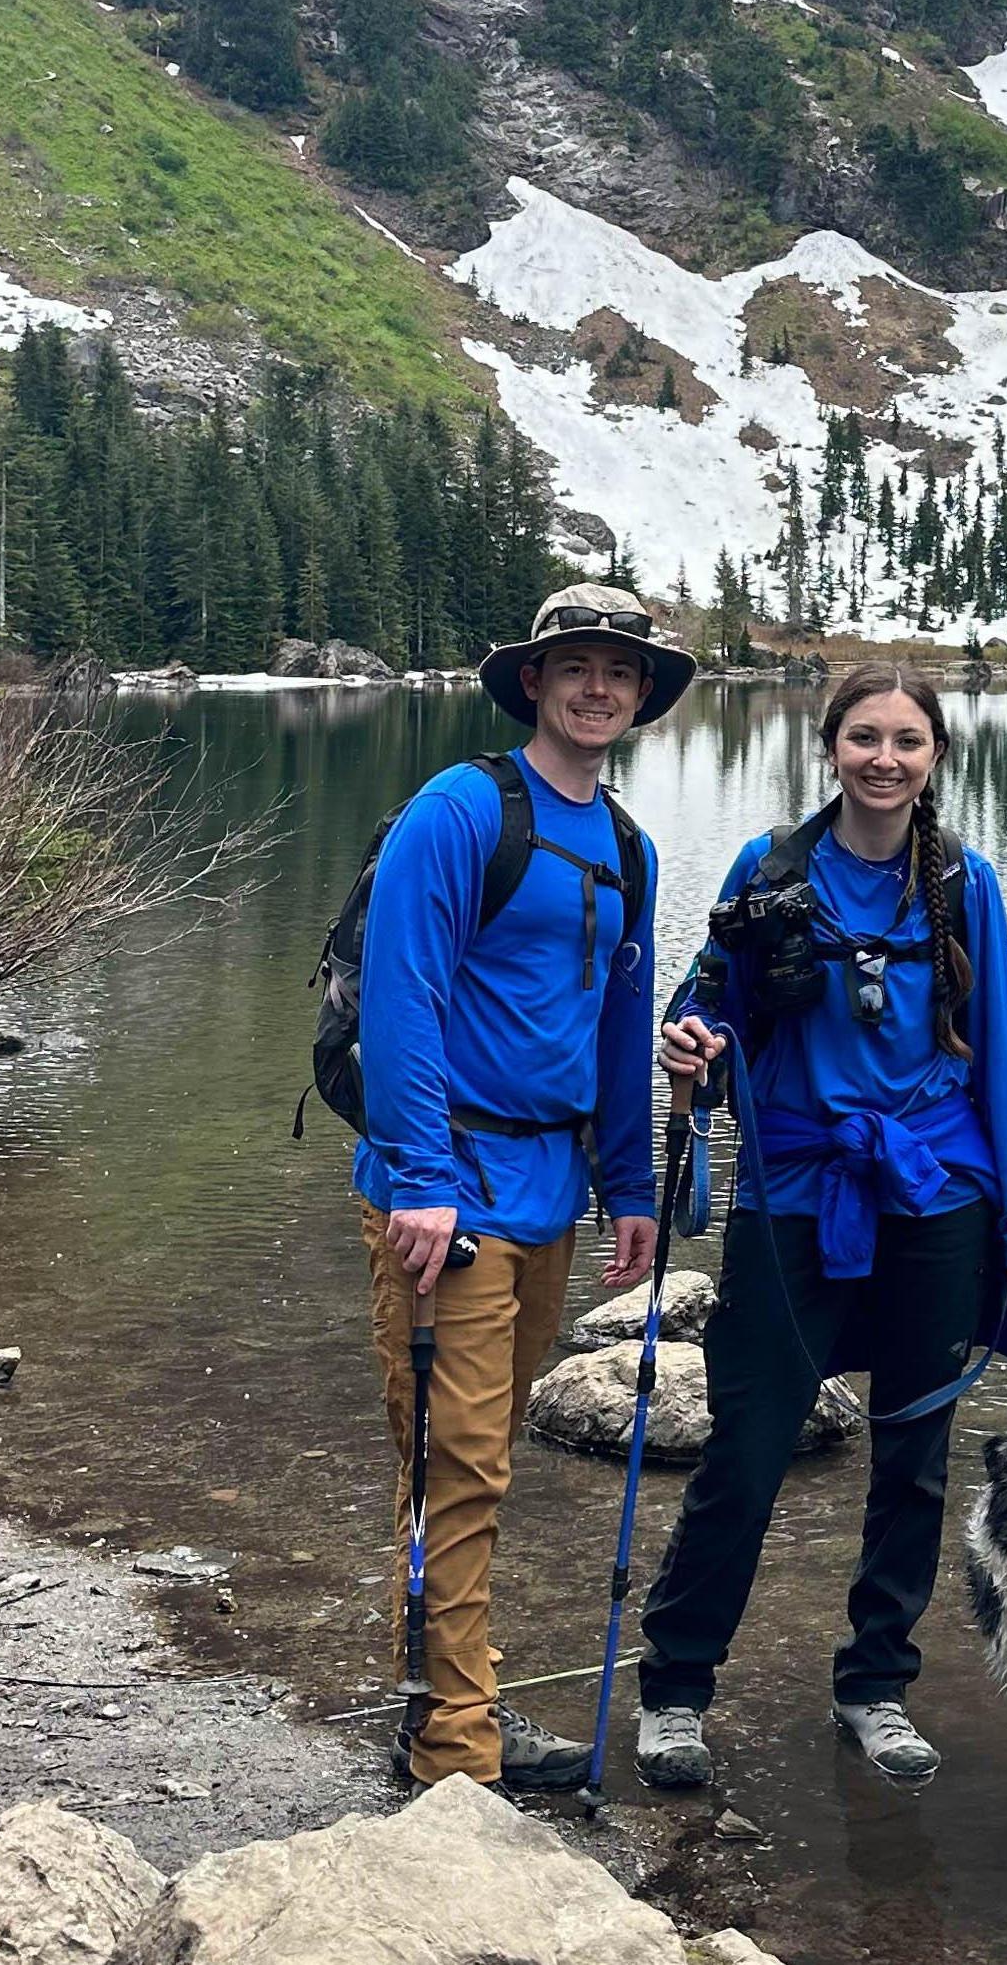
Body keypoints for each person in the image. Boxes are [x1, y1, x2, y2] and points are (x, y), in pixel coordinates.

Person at [634, 659, 1007, 1792]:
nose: (884, 758)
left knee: (912, 1459)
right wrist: (690, 1042)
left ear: (934, 759)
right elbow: (698, 1001)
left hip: (938, 1200)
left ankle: (875, 1685)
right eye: (863, 737)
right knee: (745, 1450)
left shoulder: (965, 885)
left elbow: (1003, 1062)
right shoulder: (769, 867)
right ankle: (676, 1688)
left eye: (906, 741)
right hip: (793, 1191)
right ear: (830, 748)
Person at [353, 580, 693, 1792]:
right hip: (449, 1195)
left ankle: (452, 1699)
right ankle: (456, 1744)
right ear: (535, 683)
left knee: (476, 1457)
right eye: (576, 666)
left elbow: (613, 1028)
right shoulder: (460, 810)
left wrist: (631, 1184)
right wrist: (423, 1180)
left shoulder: (629, 846)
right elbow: (401, 1002)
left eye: (621, 670)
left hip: (550, 1194)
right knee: (459, 1467)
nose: (598, 686)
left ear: (641, 694)